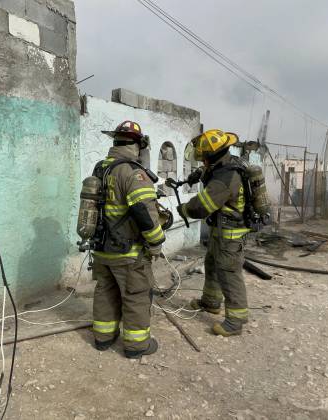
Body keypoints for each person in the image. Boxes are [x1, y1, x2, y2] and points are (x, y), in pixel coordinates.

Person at [90, 121, 165, 358]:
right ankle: (136, 345)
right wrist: (156, 243)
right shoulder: (133, 172)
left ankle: (103, 338)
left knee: (105, 292)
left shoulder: (101, 168)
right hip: (128, 253)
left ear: (115, 142)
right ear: (138, 145)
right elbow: (144, 213)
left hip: (100, 249)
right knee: (135, 296)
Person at [177, 129, 250, 337]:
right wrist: (196, 175)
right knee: (212, 264)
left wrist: (184, 209)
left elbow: (201, 207)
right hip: (221, 230)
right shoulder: (226, 163)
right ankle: (210, 302)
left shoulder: (226, 178)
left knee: (229, 273)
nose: (203, 161)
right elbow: (209, 171)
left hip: (231, 233)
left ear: (212, 155)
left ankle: (235, 321)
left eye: (204, 158)